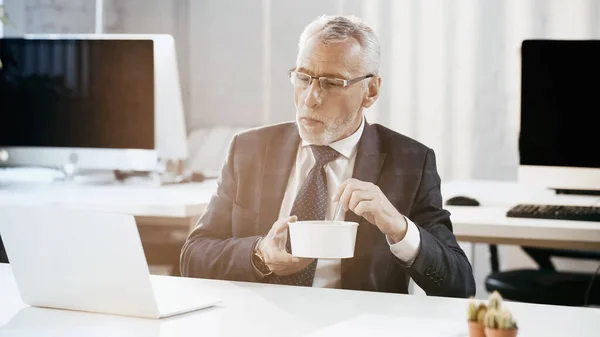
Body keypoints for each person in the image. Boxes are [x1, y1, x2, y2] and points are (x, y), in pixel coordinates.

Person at [180, 14, 476, 297]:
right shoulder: (249, 149)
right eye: (304, 78)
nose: (310, 98)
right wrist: (260, 254)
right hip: (261, 319)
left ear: (370, 90)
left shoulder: (410, 161)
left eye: (332, 83)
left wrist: (399, 227)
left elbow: (459, 285)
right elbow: (193, 257)